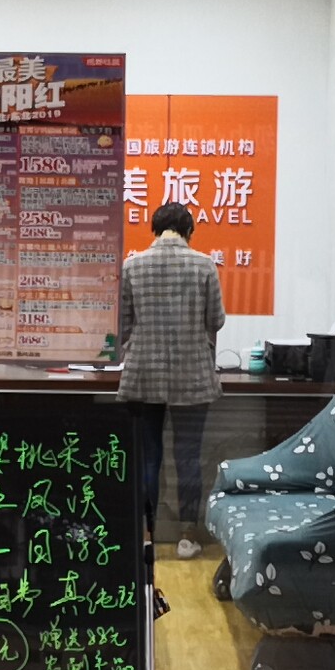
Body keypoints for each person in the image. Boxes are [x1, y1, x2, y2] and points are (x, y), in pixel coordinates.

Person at [118, 202, 225, 559]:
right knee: (189, 456)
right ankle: (187, 537)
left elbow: (123, 323)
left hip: (143, 374)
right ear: (188, 231)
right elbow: (216, 320)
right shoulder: (204, 265)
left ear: (154, 229)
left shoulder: (132, 266)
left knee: (148, 457)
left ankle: (146, 534)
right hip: (191, 375)